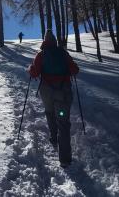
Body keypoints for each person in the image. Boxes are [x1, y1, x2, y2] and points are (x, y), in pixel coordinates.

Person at [28, 29, 79, 168]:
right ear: (55, 41)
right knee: (63, 121)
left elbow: (34, 73)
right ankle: (65, 159)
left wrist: (30, 69)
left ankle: (53, 138)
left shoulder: (41, 54)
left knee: (50, 113)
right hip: (62, 92)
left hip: (46, 92)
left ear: (45, 40)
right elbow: (75, 70)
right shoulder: (63, 53)